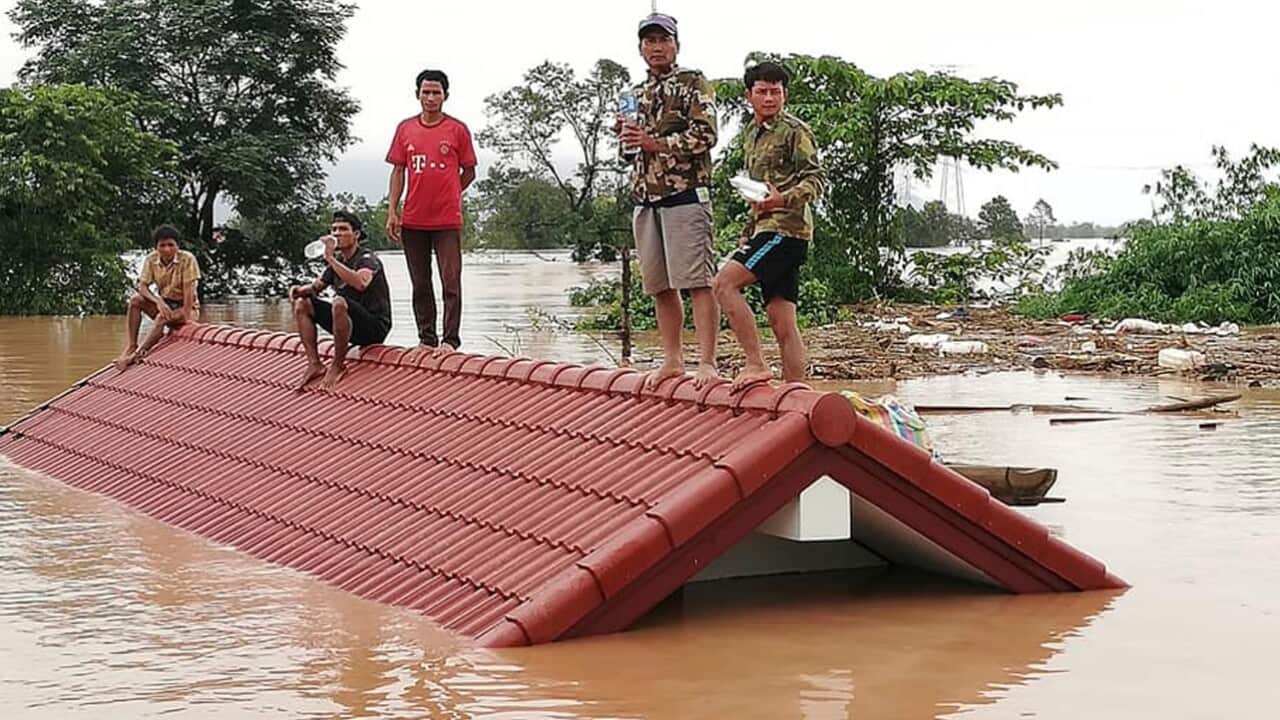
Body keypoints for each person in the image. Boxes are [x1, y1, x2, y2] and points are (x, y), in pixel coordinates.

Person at [620, 13, 720, 389]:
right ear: (640, 48)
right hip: (645, 198)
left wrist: (655, 143)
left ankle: (707, 362)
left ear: (677, 44)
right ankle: (673, 360)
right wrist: (626, 138)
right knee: (659, 286)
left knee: (697, 281)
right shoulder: (632, 94)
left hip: (685, 195)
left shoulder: (693, 83)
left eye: (663, 39)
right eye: (649, 41)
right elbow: (628, 153)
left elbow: (706, 136)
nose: (656, 47)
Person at [712, 62, 825, 390]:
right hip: (764, 229)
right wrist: (750, 227)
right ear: (749, 95)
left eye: (776, 91)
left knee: (724, 285)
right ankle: (796, 393)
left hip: (786, 230)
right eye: (762, 91)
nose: (770, 97)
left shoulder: (795, 131)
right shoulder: (751, 135)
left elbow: (816, 178)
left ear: (784, 94)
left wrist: (782, 199)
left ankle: (756, 364)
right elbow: (758, 190)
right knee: (782, 321)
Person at [385, 68, 477, 354]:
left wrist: (451, 192)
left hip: (447, 219)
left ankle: (450, 340)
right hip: (413, 219)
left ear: (445, 96)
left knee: (451, 280)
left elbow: (470, 171)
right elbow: (398, 171)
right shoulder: (405, 129)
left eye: (436, 92)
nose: (431, 97)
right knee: (420, 283)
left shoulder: (457, 129)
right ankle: (426, 338)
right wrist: (393, 210)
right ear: (417, 95)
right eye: (426, 92)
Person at [289, 211, 392, 389]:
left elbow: (361, 283)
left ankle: (338, 365)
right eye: (334, 229)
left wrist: (330, 259)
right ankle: (315, 364)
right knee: (303, 303)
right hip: (347, 321)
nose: (337, 234)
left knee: (338, 301)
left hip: (373, 326)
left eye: (343, 229)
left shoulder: (368, 259)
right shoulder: (336, 264)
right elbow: (316, 288)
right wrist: (298, 291)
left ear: (356, 234)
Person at [114, 225, 201, 372]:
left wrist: (184, 317)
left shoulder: (187, 260)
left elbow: (189, 294)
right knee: (135, 300)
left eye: (170, 245)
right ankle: (131, 345)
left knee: (161, 318)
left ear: (177, 246)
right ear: (156, 247)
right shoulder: (151, 259)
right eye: (162, 245)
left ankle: (136, 355)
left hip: (186, 307)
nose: (167, 249)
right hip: (165, 303)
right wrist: (158, 301)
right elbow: (142, 287)